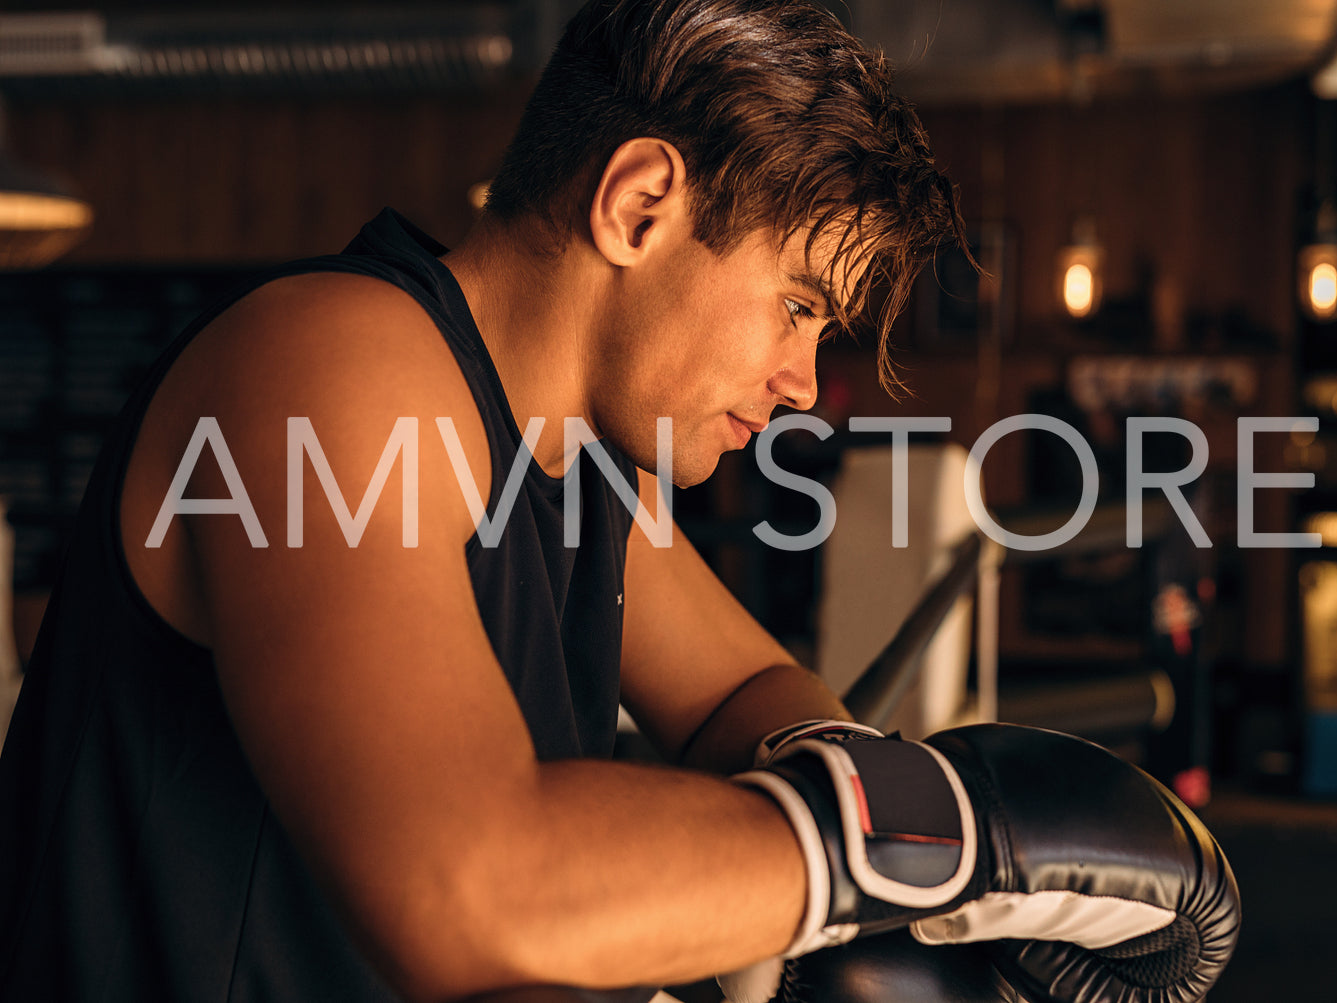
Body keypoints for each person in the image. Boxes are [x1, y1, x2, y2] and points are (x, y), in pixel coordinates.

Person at [0, 2, 1241, 1002]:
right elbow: (468, 890)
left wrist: (861, 865)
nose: (804, 382)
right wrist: (920, 839)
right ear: (640, 204)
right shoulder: (332, 369)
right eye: (798, 303)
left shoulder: (585, 462)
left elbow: (740, 697)